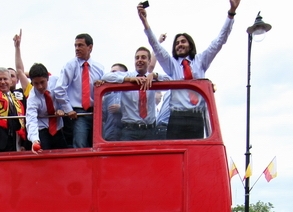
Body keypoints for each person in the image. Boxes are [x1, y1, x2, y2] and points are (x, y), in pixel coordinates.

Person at [138, 0, 240, 139]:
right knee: (175, 152)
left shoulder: (201, 60)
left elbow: (219, 41)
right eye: (177, 43)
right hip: (176, 118)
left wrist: (231, 13)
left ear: (190, 45)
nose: (179, 45)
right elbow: (155, 45)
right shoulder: (171, 64)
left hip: (196, 118)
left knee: (196, 152)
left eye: (183, 41)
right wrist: (145, 22)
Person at [102, 47, 169, 141]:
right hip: (130, 131)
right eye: (137, 58)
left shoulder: (152, 78)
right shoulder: (128, 76)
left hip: (150, 130)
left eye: (143, 57)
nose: (139, 60)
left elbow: (170, 80)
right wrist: (128, 80)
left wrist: (155, 75)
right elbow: (105, 77)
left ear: (149, 61)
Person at [54, 34, 104, 148]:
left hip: (96, 113)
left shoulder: (99, 68)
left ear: (90, 47)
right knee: (80, 145)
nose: (77, 48)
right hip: (78, 113)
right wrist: (68, 109)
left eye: (80, 45)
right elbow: (59, 89)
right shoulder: (70, 65)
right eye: (75, 45)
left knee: (97, 146)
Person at [25, 63, 67, 153]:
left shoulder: (56, 81)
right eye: (36, 83)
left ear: (48, 78)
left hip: (58, 127)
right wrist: (34, 140)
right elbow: (31, 120)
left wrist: (62, 109)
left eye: (42, 82)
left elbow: (66, 96)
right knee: (43, 154)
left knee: (63, 153)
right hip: (42, 129)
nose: (40, 86)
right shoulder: (31, 98)